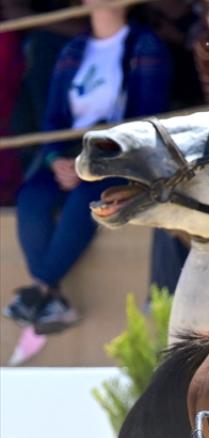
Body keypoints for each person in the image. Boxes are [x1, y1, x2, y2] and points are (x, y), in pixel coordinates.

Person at [4, 0, 172, 334]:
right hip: (70, 153)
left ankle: (41, 289)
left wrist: (95, 161)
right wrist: (55, 160)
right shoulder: (74, 48)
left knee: (85, 200)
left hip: (117, 155)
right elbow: (53, 118)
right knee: (31, 198)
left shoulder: (146, 45)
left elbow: (146, 119)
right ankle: (48, 295)